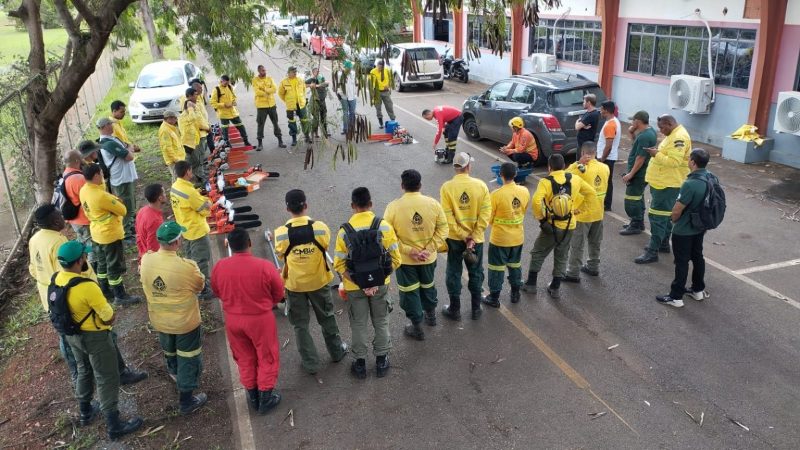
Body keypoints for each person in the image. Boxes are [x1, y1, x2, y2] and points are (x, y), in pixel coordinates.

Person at [29, 206, 147, 387]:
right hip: (73, 301)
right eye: (60, 216)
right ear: (54, 222)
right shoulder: (57, 243)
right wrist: (89, 292)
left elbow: (33, 269)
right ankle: (116, 373)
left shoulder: (35, 239)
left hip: (51, 300)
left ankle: (81, 377)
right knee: (103, 333)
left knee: (66, 336)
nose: (63, 218)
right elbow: (69, 276)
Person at [55, 241, 144, 440]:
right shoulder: (86, 287)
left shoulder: (57, 279)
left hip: (72, 336)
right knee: (106, 377)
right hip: (94, 338)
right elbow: (108, 316)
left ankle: (85, 411)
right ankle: (114, 425)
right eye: (84, 256)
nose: (86, 259)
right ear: (79, 261)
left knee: (83, 369)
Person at [274, 190, 348, 375]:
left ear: (287, 208)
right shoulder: (321, 228)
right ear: (306, 205)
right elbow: (324, 245)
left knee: (300, 325)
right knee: (327, 318)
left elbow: (281, 254)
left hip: (295, 285)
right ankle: (337, 352)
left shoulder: (281, 234)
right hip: (319, 282)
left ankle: (310, 363)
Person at [211, 228, 284, 415]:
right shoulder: (264, 266)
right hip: (260, 319)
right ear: (249, 243)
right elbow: (278, 293)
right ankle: (266, 397)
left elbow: (217, 291)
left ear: (231, 246)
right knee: (266, 356)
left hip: (233, 319)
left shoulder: (220, 266)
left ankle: (253, 396)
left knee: (244, 357)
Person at [140, 221, 208, 414]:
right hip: (185, 323)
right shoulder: (187, 267)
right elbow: (200, 286)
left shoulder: (147, 260)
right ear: (177, 242)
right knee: (188, 357)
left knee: (169, 350)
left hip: (160, 320)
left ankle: (174, 373)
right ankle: (187, 399)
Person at [333, 187, 401, 379]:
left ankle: (360, 364)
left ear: (352, 206)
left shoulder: (344, 232)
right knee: (380, 321)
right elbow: (396, 260)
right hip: (380, 286)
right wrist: (375, 282)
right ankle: (381, 361)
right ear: (371, 204)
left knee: (359, 324)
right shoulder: (384, 226)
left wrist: (361, 283)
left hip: (355, 288)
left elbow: (338, 264)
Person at [384, 170, 448, 340]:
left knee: (409, 292)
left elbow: (386, 237)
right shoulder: (433, 204)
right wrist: (430, 248)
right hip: (428, 258)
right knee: (428, 285)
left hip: (406, 262)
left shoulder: (393, 207)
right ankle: (431, 316)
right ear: (420, 185)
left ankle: (417, 327)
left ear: (402, 186)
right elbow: (443, 229)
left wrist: (408, 250)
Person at [523, 154, 595, 299]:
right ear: (563, 166)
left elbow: (537, 201)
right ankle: (555, 287)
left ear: (549, 167)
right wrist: (578, 209)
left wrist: (542, 220)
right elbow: (592, 194)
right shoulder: (575, 179)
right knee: (562, 254)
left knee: (538, 252)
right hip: (569, 225)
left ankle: (531, 284)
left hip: (551, 225)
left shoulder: (546, 182)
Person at [656, 149, 713, 307]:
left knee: (681, 262)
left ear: (693, 162)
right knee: (697, 257)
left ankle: (676, 297)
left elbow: (677, 210)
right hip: (700, 226)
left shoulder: (690, 184)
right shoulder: (710, 177)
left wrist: (674, 221)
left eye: (689, 159)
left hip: (684, 230)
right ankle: (698, 290)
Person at [79, 163, 141, 305]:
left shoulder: (84, 190)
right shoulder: (101, 196)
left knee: (102, 263)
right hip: (109, 234)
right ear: (95, 176)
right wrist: (117, 201)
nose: (103, 175)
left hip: (96, 232)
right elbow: (123, 210)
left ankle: (105, 290)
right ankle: (119, 295)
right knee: (114, 264)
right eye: (100, 173)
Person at [439, 152, 491, 320]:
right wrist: (473, 236)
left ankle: (455, 309)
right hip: (476, 240)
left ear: (456, 167)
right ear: (468, 166)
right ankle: (476, 309)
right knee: (476, 271)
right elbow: (485, 215)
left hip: (454, 239)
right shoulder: (481, 186)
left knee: (454, 271)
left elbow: (447, 216)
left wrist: (462, 235)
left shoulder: (447, 187)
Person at [635, 114, 692, 264]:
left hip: (667, 184)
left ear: (669, 123)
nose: (660, 131)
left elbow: (674, 161)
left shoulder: (679, 138)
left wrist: (656, 154)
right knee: (665, 216)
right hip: (664, 182)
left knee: (657, 217)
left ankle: (652, 251)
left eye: (662, 127)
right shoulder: (673, 134)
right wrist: (658, 152)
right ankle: (663, 243)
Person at [481, 162, 530, 308]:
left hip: (499, 239)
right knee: (515, 266)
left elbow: (489, 218)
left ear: (500, 175)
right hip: (517, 238)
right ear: (515, 174)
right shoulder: (524, 191)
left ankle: (494, 297)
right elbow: (524, 209)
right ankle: (515, 293)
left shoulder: (496, 195)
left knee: (496, 268)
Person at [563, 142, 609, 283]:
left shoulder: (581, 169)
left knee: (578, 244)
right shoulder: (605, 167)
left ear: (583, 153)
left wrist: (577, 163)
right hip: (598, 212)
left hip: (583, 214)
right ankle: (593, 266)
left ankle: (573, 272)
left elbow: (563, 177)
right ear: (595, 152)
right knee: (595, 242)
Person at [170, 161, 214, 300]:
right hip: (197, 230)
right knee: (201, 260)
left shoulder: (175, 186)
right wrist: (208, 202)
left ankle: (191, 282)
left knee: (190, 259)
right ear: (188, 172)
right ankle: (204, 289)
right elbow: (204, 209)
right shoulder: (189, 192)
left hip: (185, 228)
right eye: (191, 170)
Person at [97, 117, 139, 241]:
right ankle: (126, 232)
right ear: (104, 127)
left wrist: (128, 148)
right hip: (121, 178)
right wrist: (129, 149)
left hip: (125, 176)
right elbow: (129, 156)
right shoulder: (109, 143)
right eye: (110, 124)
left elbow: (128, 147)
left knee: (131, 202)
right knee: (126, 205)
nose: (113, 126)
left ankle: (129, 226)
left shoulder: (113, 139)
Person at [620, 111, 657, 235]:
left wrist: (631, 174)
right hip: (641, 172)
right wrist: (631, 132)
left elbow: (640, 158)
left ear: (638, 121)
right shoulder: (647, 133)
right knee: (638, 196)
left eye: (633, 120)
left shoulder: (645, 136)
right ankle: (638, 222)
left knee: (632, 198)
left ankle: (636, 224)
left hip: (639, 174)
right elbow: (636, 145)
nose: (631, 123)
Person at [62, 146, 96, 271]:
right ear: (77, 161)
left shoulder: (65, 174)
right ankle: (93, 270)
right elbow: (91, 197)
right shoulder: (79, 179)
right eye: (81, 158)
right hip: (84, 219)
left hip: (75, 220)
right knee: (92, 248)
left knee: (83, 244)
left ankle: (83, 266)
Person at [211, 74, 251, 146]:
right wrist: (224, 105)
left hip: (233, 112)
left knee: (241, 126)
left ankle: (246, 141)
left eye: (228, 83)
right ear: (221, 81)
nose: (227, 84)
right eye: (225, 83)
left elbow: (233, 96)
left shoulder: (229, 87)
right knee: (225, 129)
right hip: (223, 114)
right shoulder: (216, 90)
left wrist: (234, 101)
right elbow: (213, 103)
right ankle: (227, 143)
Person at [252, 65, 286, 150]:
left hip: (271, 105)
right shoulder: (255, 80)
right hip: (261, 106)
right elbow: (257, 92)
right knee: (260, 124)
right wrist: (266, 92)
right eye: (262, 71)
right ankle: (260, 143)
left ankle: (280, 141)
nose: (264, 72)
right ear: (259, 71)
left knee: (276, 123)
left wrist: (265, 90)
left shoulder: (270, 78)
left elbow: (274, 89)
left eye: (265, 70)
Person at [595, 100, 620, 211]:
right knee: (606, 181)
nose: (600, 111)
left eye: (601, 109)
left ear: (605, 110)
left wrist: (601, 159)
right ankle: (605, 203)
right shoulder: (613, 121)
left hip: (606, 158)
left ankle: (606, 204)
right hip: (607, 157)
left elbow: (608, 145)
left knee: (605, 181)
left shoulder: (610, 125)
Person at [179, 87, 207, 185]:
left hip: (195, 140)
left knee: (198, 160)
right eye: (195, 94)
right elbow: (194, 119)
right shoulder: (184, 116)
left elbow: (199, 119)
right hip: (189, 143)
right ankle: (196, 179)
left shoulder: (192, 111)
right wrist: (191, 108)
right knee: (192, 162)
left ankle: (199, 177)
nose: (197, 96)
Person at [278, 66, 310, 146]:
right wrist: (288, 101)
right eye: (293, 72)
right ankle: (294, 139)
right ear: (289, 73)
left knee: (305, 121)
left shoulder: (300, 80)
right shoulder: (284, 82)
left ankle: (307, 136)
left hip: (301, 105)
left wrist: (302, 99)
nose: (295, 73)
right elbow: (281, 94)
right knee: (292, 122)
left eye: (295, 72)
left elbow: (303, 90)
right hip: (291, 107)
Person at [135, 184, 165, 261]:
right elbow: (154, 247)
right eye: (164, 193)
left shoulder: (142, 210)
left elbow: (138, 236)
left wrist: (141, 255)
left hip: (143, 253)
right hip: (153, 260)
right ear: (160, 198)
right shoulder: (155, 221)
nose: (166, 195)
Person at [158, 110, 184, 180]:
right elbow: (167, 148)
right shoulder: (165, 130)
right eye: (172, 118)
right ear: (166, 119)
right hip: (174, 160)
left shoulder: (171, 127)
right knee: (177, 179)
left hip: (179, 157)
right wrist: (176, 159)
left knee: (179, 178)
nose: (175, 120)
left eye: (175, 118)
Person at [369, 60, 395, 128]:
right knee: (378, 108)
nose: (380, 69)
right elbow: (372, 83)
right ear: (377, 66)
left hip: (386, 91)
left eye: (382, 68)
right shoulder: (373, 72)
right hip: (377, 92)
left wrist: (388, 85)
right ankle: (381, 123)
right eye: (379, 67)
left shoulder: (386, 71)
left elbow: (390, 79)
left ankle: (393, 120)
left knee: (389, 106)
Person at [305, 67, 330, 138]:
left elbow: (326, 84)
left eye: (318, 71)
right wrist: (310, 85)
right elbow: (303, 85)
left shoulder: (321, 78)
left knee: (324, 117)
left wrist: (317, 85)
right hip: (315, 101)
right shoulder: (312, 79)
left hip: (322, 101)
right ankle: (314, 133)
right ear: (313, 73)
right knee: (316, 118)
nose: (318, 72)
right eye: (316, 72)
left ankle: (325, 132)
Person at [337, 60, 358, 136]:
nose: (349, 69)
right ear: (345, 68)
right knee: (345, 113)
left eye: (350, 68)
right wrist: (339, 94)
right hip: (344, 97)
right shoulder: (340, 75)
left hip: (353, 96)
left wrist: (356, 93)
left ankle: (352, 127)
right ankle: (345, 129)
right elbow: (338, 85)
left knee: (352, 112)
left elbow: (356, 83)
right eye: (347, 68)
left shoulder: (353, 74)